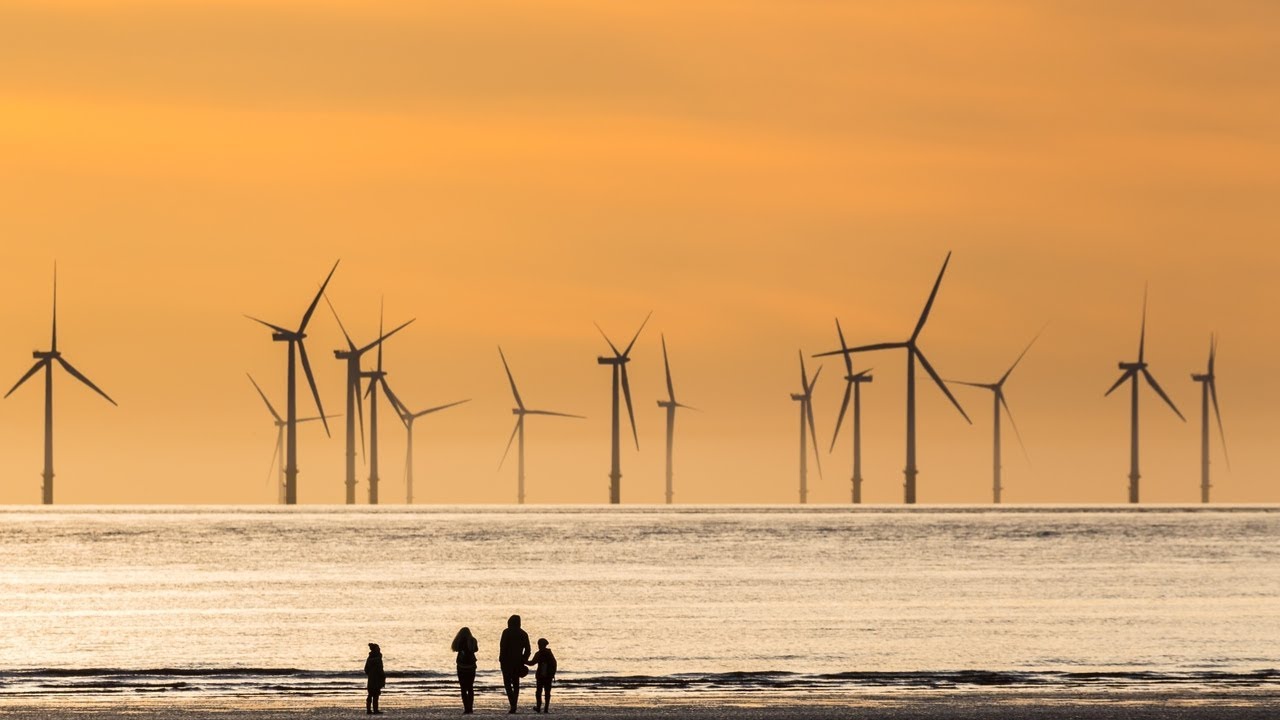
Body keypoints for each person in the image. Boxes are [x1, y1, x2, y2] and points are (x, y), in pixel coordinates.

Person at [498, 614, 531, 714]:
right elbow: (528, 649)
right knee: (516, 684)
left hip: (506, 662)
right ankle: (514, 704)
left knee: (507, 684)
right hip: (518, 662)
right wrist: (523, 659)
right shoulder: (523, 633)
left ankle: (513, 704)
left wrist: (501, 659)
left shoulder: (506, 632)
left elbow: (502, 647)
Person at [525, 638, 557, 714]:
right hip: (548, 676)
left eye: (540, 645)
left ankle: (539, 707)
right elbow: (554, 664)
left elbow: (532, 663)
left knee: (539, 692)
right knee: (547, 692)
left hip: (541, 676)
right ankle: (545, 709)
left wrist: (523, 661)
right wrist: (552, 674)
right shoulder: (549, 654)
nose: (539, 646)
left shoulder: (539, 654)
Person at [452, 627, 479, 714]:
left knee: (463, 688)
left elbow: (454, 648)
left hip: (461, 667)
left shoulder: (459, 641)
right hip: (471, 667)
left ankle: (466, 708)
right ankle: (470, 708)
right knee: (470, 687)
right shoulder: (473, 640)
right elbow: (476, 649)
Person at [364, 643, 386, 714]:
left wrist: (370, 674)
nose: (379, 649)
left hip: (370, 679)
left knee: (370, 694)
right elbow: (380, 669)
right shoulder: (378, 659)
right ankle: (375, 710)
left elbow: (366, 669)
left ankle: (368, 710)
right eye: (378, 648)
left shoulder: (369, 658)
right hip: (377, 679)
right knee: (376, 695)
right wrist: (383, 676)